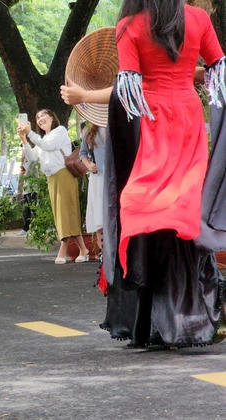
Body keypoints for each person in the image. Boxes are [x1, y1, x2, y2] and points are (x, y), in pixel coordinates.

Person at [64, 1, 226, 346]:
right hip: (188, 121)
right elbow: (218, 69)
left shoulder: (130, 26)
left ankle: (150, 324)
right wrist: (189, 73)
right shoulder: (197, 18)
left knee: (142, 210)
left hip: (151, 125)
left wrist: (83, 95)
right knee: (183, 210)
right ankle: (193, 317)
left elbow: (128, 89)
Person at [17, 109, 90, 264]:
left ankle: (62, 250)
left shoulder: (60, 131)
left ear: (52, 117)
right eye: (37, 117)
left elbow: (48, 146)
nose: (40, 118)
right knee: (63, 214)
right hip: (51, 178)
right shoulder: (42, 138)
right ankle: (83, 249)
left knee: (65, 213)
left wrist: (30, 133)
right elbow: (32, 157)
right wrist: (24, 139)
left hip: (64, 175)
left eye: (43, 115)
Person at [78, 121, 106, 249]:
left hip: (115, 178)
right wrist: (89, 165)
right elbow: (82, 153)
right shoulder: (89, 130)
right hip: (98, 178)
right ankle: (103, 255)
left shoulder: (118, 124)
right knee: (100, 219)